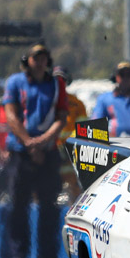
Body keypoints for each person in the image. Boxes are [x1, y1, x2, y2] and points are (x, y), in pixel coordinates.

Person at [2, 43, 68, 258]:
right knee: (18, 206)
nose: (39, 62)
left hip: (48, 152)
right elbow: (11, 115)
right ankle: (18, 256)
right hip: (21, 152)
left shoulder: (56, 85)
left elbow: (61, 117)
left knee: (49, 206)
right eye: (35, 58)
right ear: (27, 61)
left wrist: (43, 142)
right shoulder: (15, 82)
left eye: (43, 58)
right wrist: (29, 143)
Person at [54, 66, 87, 199]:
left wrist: (69, 145)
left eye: (62, 79)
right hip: (50, 154)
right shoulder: (43, 101)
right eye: (55, 79)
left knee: (74, 191)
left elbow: (83, 128)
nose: (59, 82)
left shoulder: (77, 104)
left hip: (70, 155)